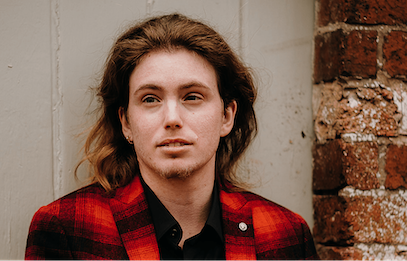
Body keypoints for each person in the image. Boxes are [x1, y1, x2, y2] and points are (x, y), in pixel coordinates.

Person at [25, 13, 320, 261]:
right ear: (126, 122)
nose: (172, 119)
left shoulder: (285, 235)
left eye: (192, 97)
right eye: (150, 99)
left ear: (227, 116)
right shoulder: (67, 230)